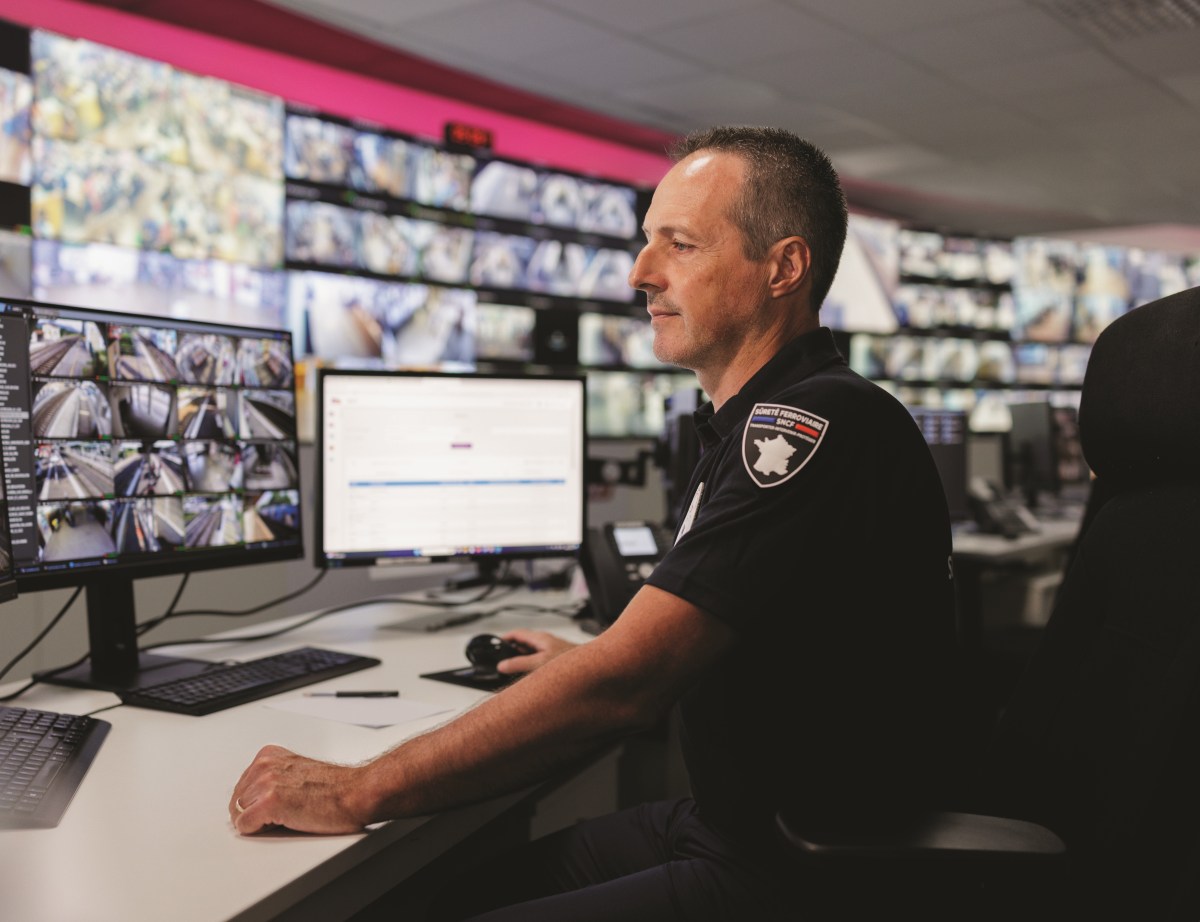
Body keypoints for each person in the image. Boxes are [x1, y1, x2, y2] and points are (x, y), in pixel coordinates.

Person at [229, 126, 960, 920]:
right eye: (648, 242)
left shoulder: (805, 426)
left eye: (678, 244)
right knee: (447, 891)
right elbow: (737, 641)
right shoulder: (751, 422)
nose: (641, 273)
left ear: (784, 267)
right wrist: (591, 656)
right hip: (736, 825)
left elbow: (630, 686)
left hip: (796, 869)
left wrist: (360, 786)